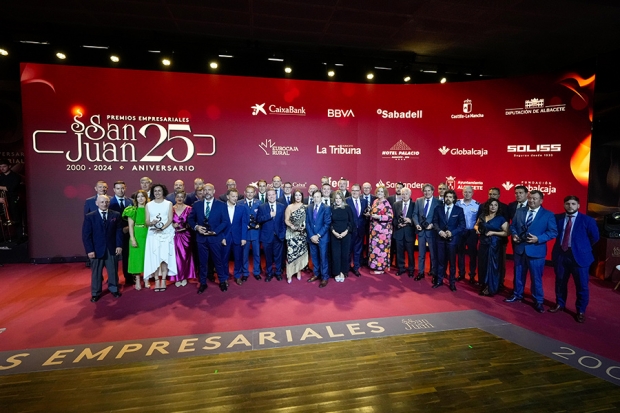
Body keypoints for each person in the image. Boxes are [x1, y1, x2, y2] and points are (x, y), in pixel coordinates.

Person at [505, 190, 558, 313]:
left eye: (534, 199)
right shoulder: (519, 211)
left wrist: (538, 239)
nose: (531, 201)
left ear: (541, 201)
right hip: (520, 249)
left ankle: (538, 300)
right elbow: (513, 226)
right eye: (530, 198)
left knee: (536, 278)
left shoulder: (548, 214)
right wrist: (514, 235)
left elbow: (553, 232)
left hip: (536, 251)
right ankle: (517, 294)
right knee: (518, 274)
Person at [550, 195, 600, 323]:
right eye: (567, 203)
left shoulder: (587, 220)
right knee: (560, 282)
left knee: (582, 285)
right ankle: (560, 304)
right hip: (561, 255)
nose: (570, 206)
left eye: (573, 204)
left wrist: (582, 247)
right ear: (564, 205)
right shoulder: (557, 218)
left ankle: (581, 311)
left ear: (578, 206)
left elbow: (595, 237)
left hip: (580, 257)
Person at [188, 183, 230, 293]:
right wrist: (197, 227)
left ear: (214, 191)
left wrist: (215, 231)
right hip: (201, 239)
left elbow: (225, 221)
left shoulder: (221, 205)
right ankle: (202, 283)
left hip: (215, 238)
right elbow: (191, 219)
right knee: (202, 263)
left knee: (218, 261)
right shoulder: (196, 205)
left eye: (209, 190)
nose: (207, 192)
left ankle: (222, 281)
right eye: (205, 190)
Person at [82, 195, 122, 302]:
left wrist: (119, 245)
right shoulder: (90, 216)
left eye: (106, 202)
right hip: (96, 249)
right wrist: (89, 250)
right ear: (97, 203)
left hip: (111, 248)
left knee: (113, 270)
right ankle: (95, 293)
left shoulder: (116, 215)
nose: (104, 204)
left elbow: (118, 232)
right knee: (96, 272)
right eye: (102, 202)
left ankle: (114, 289)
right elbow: (86, 235)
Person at [144, 183, 178, 292]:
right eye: (155, 191)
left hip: (166, 233)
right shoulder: (149, 205)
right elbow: (146, 221)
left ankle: (163, 279)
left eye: (159, 191)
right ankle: (156, 280)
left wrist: (162, 228)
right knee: (155, 257)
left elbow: (169, 219)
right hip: (153, 234)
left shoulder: (168, 204)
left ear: (163, 191)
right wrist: (151, 223)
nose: (157, 193)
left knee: (164, 257)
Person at [432, 189, 465, 291]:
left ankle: (452, 283)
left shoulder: (459, 210)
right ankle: (439, 280)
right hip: (440, 239)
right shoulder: (438, 208)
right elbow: (435, 222)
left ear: (454, 199)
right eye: (447, 197)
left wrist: (452, 232)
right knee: (440, 261)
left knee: (452, 263)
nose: (448, 199)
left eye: (450, 197)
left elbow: (462, 225)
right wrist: (439, 231)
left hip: (452, 240)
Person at [474, 199, 508, 296]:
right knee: (483, 265)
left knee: (492, 266)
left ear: (498, 207)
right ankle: (484, 284)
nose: (493, 207)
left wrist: (494, 233)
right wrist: (477, 230)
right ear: (488, 206)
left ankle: (491, 287)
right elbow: (476, 225)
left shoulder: (501, 218)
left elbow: (506, 232)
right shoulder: (482, 216)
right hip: (483, 244)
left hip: (494, 245)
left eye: (495, 205)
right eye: (491, 205)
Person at [413, 183, 441, 281]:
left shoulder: (438, 202)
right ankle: (421, 273)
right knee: (421, 254)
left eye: (429, 190)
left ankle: (434, 274)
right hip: (421, 232)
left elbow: (438, 217)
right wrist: (416, 224)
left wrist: (432, 224)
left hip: (431, 232)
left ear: (432, 191)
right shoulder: (418, 200)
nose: (427, 192)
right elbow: (415, 214)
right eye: (425, 190)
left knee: (433, 254)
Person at [257, 189, 286, 282]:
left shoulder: (281, 206)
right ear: (267, 196)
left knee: (278, 256)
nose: (271, 196)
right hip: (266, 237)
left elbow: (283, 221)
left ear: (276, 195)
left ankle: (278, 273)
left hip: (278, 236)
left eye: (273, 194)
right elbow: (259, 219)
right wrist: (269, 215)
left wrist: (282, 233)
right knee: (268, 256)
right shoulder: (262, 207)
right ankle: (269, 273)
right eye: (269, 195)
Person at [222, 188, 249, 287]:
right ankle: (224, 277)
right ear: (228, 196)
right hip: (225, 237)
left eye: (236, 196)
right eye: (233, 196)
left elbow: (244, 223)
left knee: (238, 258)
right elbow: (219, 223)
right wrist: (222, 237)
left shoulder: (242, 208)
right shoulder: (222, 207)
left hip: (238, 237)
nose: (235, 198)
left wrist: (243, 238)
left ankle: (237, 275)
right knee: (224, 259)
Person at [122, 190, 149, 290]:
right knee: (137, 259)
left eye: (143, 196)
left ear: (146, 198)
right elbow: (130, 226)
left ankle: (146, 279)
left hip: (148, 235)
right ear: (136, 199)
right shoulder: (132, 210)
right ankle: (137, 280)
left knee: (147, 258)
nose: (140, 198)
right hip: (137, 235)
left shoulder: (149, 209)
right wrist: (133, 239)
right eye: (138, 197)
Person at [109, 180, 134, 285]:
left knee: (127, 256)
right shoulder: (109, 202)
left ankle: (128, 278)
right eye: (118, 188)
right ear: (114, 190)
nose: (120, 190)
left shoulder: (131, 201)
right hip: (114, 235)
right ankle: (113, 281)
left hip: (129, 233)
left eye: (122, 188)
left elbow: (135, 217)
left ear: (125, 188)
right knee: (113, 258)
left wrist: (129, 227)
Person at [170, 191, 196, 287]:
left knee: (185, 257)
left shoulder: (189, 208)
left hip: (186, 235)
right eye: (178, 197)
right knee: (175, 257)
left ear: (184, 198)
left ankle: (185, 276)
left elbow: (192, 221)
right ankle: (177, 277)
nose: (180, 198)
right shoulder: (171, 209)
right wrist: (172, 224)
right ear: (175, 198)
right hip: (174, 235)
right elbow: (167, 221)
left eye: (182, 197)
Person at [306, 190, 332, 287]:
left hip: (322, 238)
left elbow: (327, 223)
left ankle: (324, 277)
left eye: (318, 197)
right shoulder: (309, 207)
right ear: (312, 197)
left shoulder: (326, 208)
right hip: (311, 237)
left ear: (321, 197)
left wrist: (318, 235)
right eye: (315, 197)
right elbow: (307, 223)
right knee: (314, 257)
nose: (316, 198)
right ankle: (316, 274)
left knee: (323, 258)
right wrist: (312, 236)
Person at [456, 186, 480, 284]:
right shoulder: (457, 203)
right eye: (465, 192)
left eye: (469, 192)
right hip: (460, 232)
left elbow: (479, 220)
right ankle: (461, 274)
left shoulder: (477, 205)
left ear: (472, 193)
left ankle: (472, 275)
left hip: (472, 233)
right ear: (462, 193)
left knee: (472, 255)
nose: (467, 194)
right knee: (460, 254)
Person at [330, 190, 355, 282]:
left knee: (345, 254)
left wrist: (346, 232)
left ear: (342, 199)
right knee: (335, 255)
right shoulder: (331, 208)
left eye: (339, 198)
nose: (337, 200)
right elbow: (330, 222)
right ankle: (336, 272)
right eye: (336, 198)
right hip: (334, 235)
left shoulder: (347, 208)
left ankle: (343, 272)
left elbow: (351, 221)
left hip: (346, 234)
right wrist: (333, 232)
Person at [238, 185, 263, 281]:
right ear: (244, 193)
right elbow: (237, 219)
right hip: (245, 234)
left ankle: (256, 272)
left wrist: (259, 224)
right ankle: (245, 272)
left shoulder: (259, 203)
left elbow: (261, 217)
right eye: (248, 192)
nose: (249, 194)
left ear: (254, 193)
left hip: (256, 232)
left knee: (257, 254)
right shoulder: (240, 203)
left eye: (251, 192)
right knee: (245, 254)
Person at [368, 185, 394, 274]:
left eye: (382, 192)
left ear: (385, 193)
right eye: (378, 191)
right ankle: (374, 266)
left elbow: (390, 217)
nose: (379, 193)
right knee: (374, 248)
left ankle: (381, 269)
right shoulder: (375, 201)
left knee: (381, 250)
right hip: (374, 230)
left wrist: (379, 217)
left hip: (383, 231)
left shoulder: (386, 203)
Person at [284, 189, 308, 283]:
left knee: (300, 254)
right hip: (291, 234)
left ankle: (298, 272)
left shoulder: (306, 207)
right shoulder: (289, 207)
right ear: (294, 197)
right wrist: (292, 226)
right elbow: (286, 220)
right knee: (291, 255)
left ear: (302, 196)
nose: (298, 197)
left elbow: (308, 220)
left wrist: (304, 227)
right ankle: (289, 274)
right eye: (296, 195)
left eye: (300, 195)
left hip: (302, 235)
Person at [346, 184, 368, 277]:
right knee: (348, 251)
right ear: (351, 191)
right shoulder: (347, 201)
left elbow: (365, 215)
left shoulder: (364, 201)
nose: (355, 192)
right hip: (350, 231)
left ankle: (356, 267)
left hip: (360, 230)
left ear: (360, 191)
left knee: (358, 250)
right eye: (353, 190)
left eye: (357, 190)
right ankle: (346, 269)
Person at [393, 187, 416, 277]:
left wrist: (410, 221)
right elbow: (394, 218)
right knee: (399, 252)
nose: (404, 195)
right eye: (403, 194)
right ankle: (401, 268)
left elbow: (417, 217)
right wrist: (398, 224)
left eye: (406, 194)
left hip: (409, 232)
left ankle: (411, 269)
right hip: (399, 232)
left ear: (410, 195)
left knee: (410, 253)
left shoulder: (414, 205)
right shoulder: (396, 204)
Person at [0, 158, 22, 228]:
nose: (2, 168)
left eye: (4, 166)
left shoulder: (16, 176)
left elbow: (11, 188)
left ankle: (19, 236)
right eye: (0, 166)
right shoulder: (0, 176)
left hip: (13, 199)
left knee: (16, 218)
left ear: (9, 166)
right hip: (2, 199)